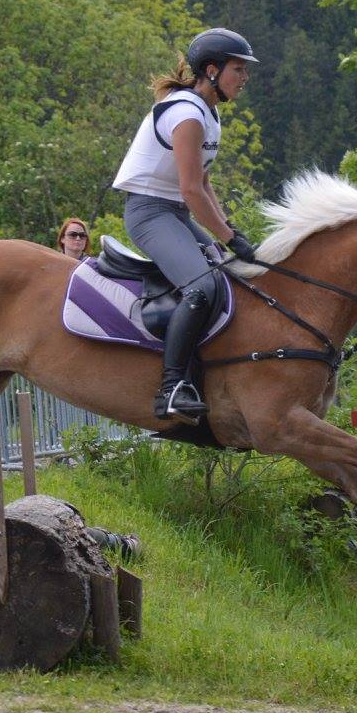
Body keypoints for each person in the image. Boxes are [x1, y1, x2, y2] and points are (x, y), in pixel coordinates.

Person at [111, 27, 260, 424]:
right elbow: (191, 190)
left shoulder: (209, 116)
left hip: (174, 213)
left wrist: (232, 232)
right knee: (201, 286)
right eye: (238, 69)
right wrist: (228, 238)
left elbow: (205, 185)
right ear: (212, 70)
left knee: (227, 278)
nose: (244, 77)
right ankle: (171, 387)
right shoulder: (186, 113)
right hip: (149, 213)